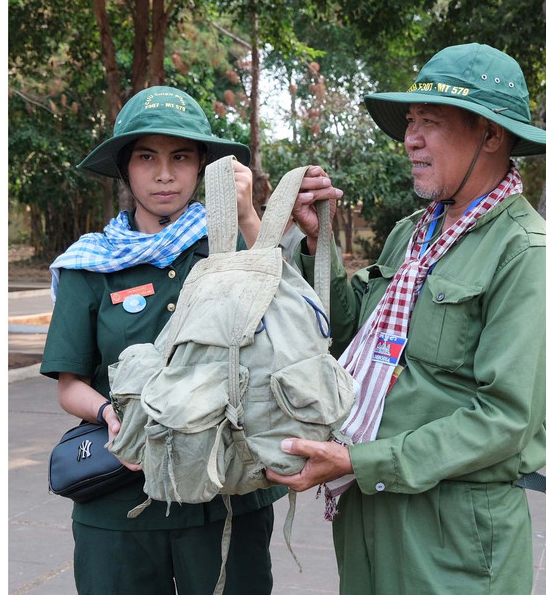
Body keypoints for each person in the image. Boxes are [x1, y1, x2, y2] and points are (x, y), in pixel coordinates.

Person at [266, 43, 546, 594]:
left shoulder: (528, 257)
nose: (410, 138)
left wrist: (362, 460)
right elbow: (352, 337)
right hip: (369, 511)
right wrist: (320, 246)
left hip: (453, 535)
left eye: (430, 123)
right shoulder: (413, 234)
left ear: (491, 135)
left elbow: (503, 420)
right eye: (410, 122)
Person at [40, 85, 338, 595]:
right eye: (146, 158)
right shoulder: (90, 263)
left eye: (180, 157)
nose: (163, 174)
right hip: (121, 504)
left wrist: (247, 213)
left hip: (226, 495)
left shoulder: (230, 249)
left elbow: (300, 322)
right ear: (124, 169)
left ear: (202, 166)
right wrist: (113, 415)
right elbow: (70, 386)